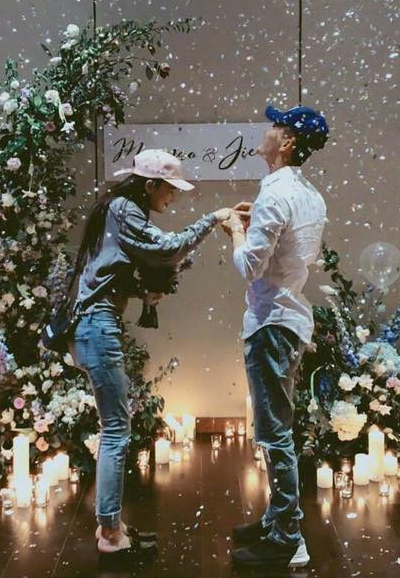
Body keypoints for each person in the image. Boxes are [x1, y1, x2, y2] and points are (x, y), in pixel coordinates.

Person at [71, 148, 235, 564]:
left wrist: (143, 291)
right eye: (170, 190)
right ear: (150, 185)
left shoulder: (117, 208)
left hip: (94, 323)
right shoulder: (125, 210)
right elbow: (168, 247)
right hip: (96, 325)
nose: (173, 198)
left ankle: (111, 525)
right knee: (115, 431)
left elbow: (109, 270)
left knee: (115, 427)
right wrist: (213, 219)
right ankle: (110, 534)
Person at [221, 105, 329, 569]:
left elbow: (250, 267)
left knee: (274, 433)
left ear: (286, 142)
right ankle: (275, 520)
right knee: (278, 428)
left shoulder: (275, 193)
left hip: (270, 323)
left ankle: (288, 538)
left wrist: (235, 231)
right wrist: (256, 224)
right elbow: (300, 254)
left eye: (274, 126)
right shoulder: (309, 194)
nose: (264, 131)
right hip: (290, 319)